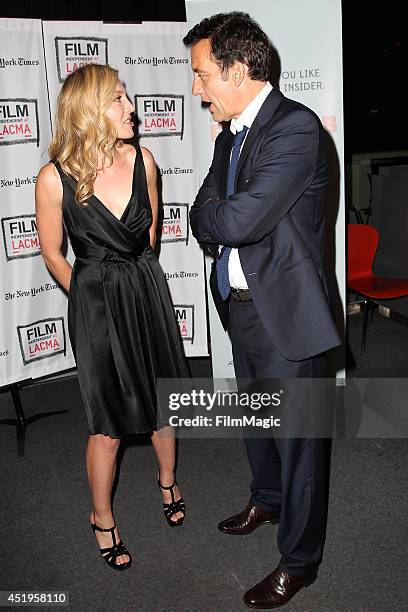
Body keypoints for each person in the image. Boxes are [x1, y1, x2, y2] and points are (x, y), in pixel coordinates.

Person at [183, 12, 341, 609]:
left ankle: (300, 562)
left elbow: (233, 219)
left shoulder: (296, 129)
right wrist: (215, 215)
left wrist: (215, 215)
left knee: (301, 442)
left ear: (239, 69)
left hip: (288, 316)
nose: (196, 89)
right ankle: (266, 500)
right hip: (240, 307)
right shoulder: (229, 134)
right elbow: (206, 208)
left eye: (202, 75)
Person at [35, 64, 188, 571]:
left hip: (146, 290)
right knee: (107, 425)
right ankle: (102, 518)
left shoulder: (144, 159)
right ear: (88, 111)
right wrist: (88, 296)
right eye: (118, 100)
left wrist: (136, 282)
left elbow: (149, 239)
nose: (132, 109)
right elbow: (53, 253)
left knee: (164, 400)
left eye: (127, 98)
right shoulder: (54, 178)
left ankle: (168, 483)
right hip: (98, 305)